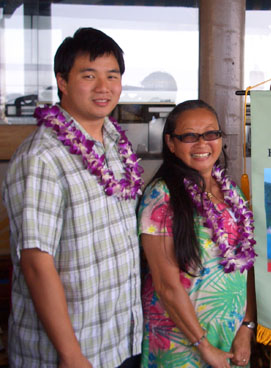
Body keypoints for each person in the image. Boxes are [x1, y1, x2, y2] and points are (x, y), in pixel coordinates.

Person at [2, 28, 143, 367]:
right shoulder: (42, 157)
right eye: (89, 75)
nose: (103, 87)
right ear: (62, 81)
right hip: (72, 350)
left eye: (112, 75)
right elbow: (36, 263)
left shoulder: (114, 142)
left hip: (120, 337)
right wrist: (70, 354)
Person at [137, 99, 257, 367]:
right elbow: (167, 287)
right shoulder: (162, 196)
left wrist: (247, 327)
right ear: (171, 143)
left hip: (231, 340)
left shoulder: (231, 192)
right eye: (189, 136)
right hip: (182, 346)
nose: (202, 144)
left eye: (211, 134)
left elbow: (246, 265)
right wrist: (203, 347)